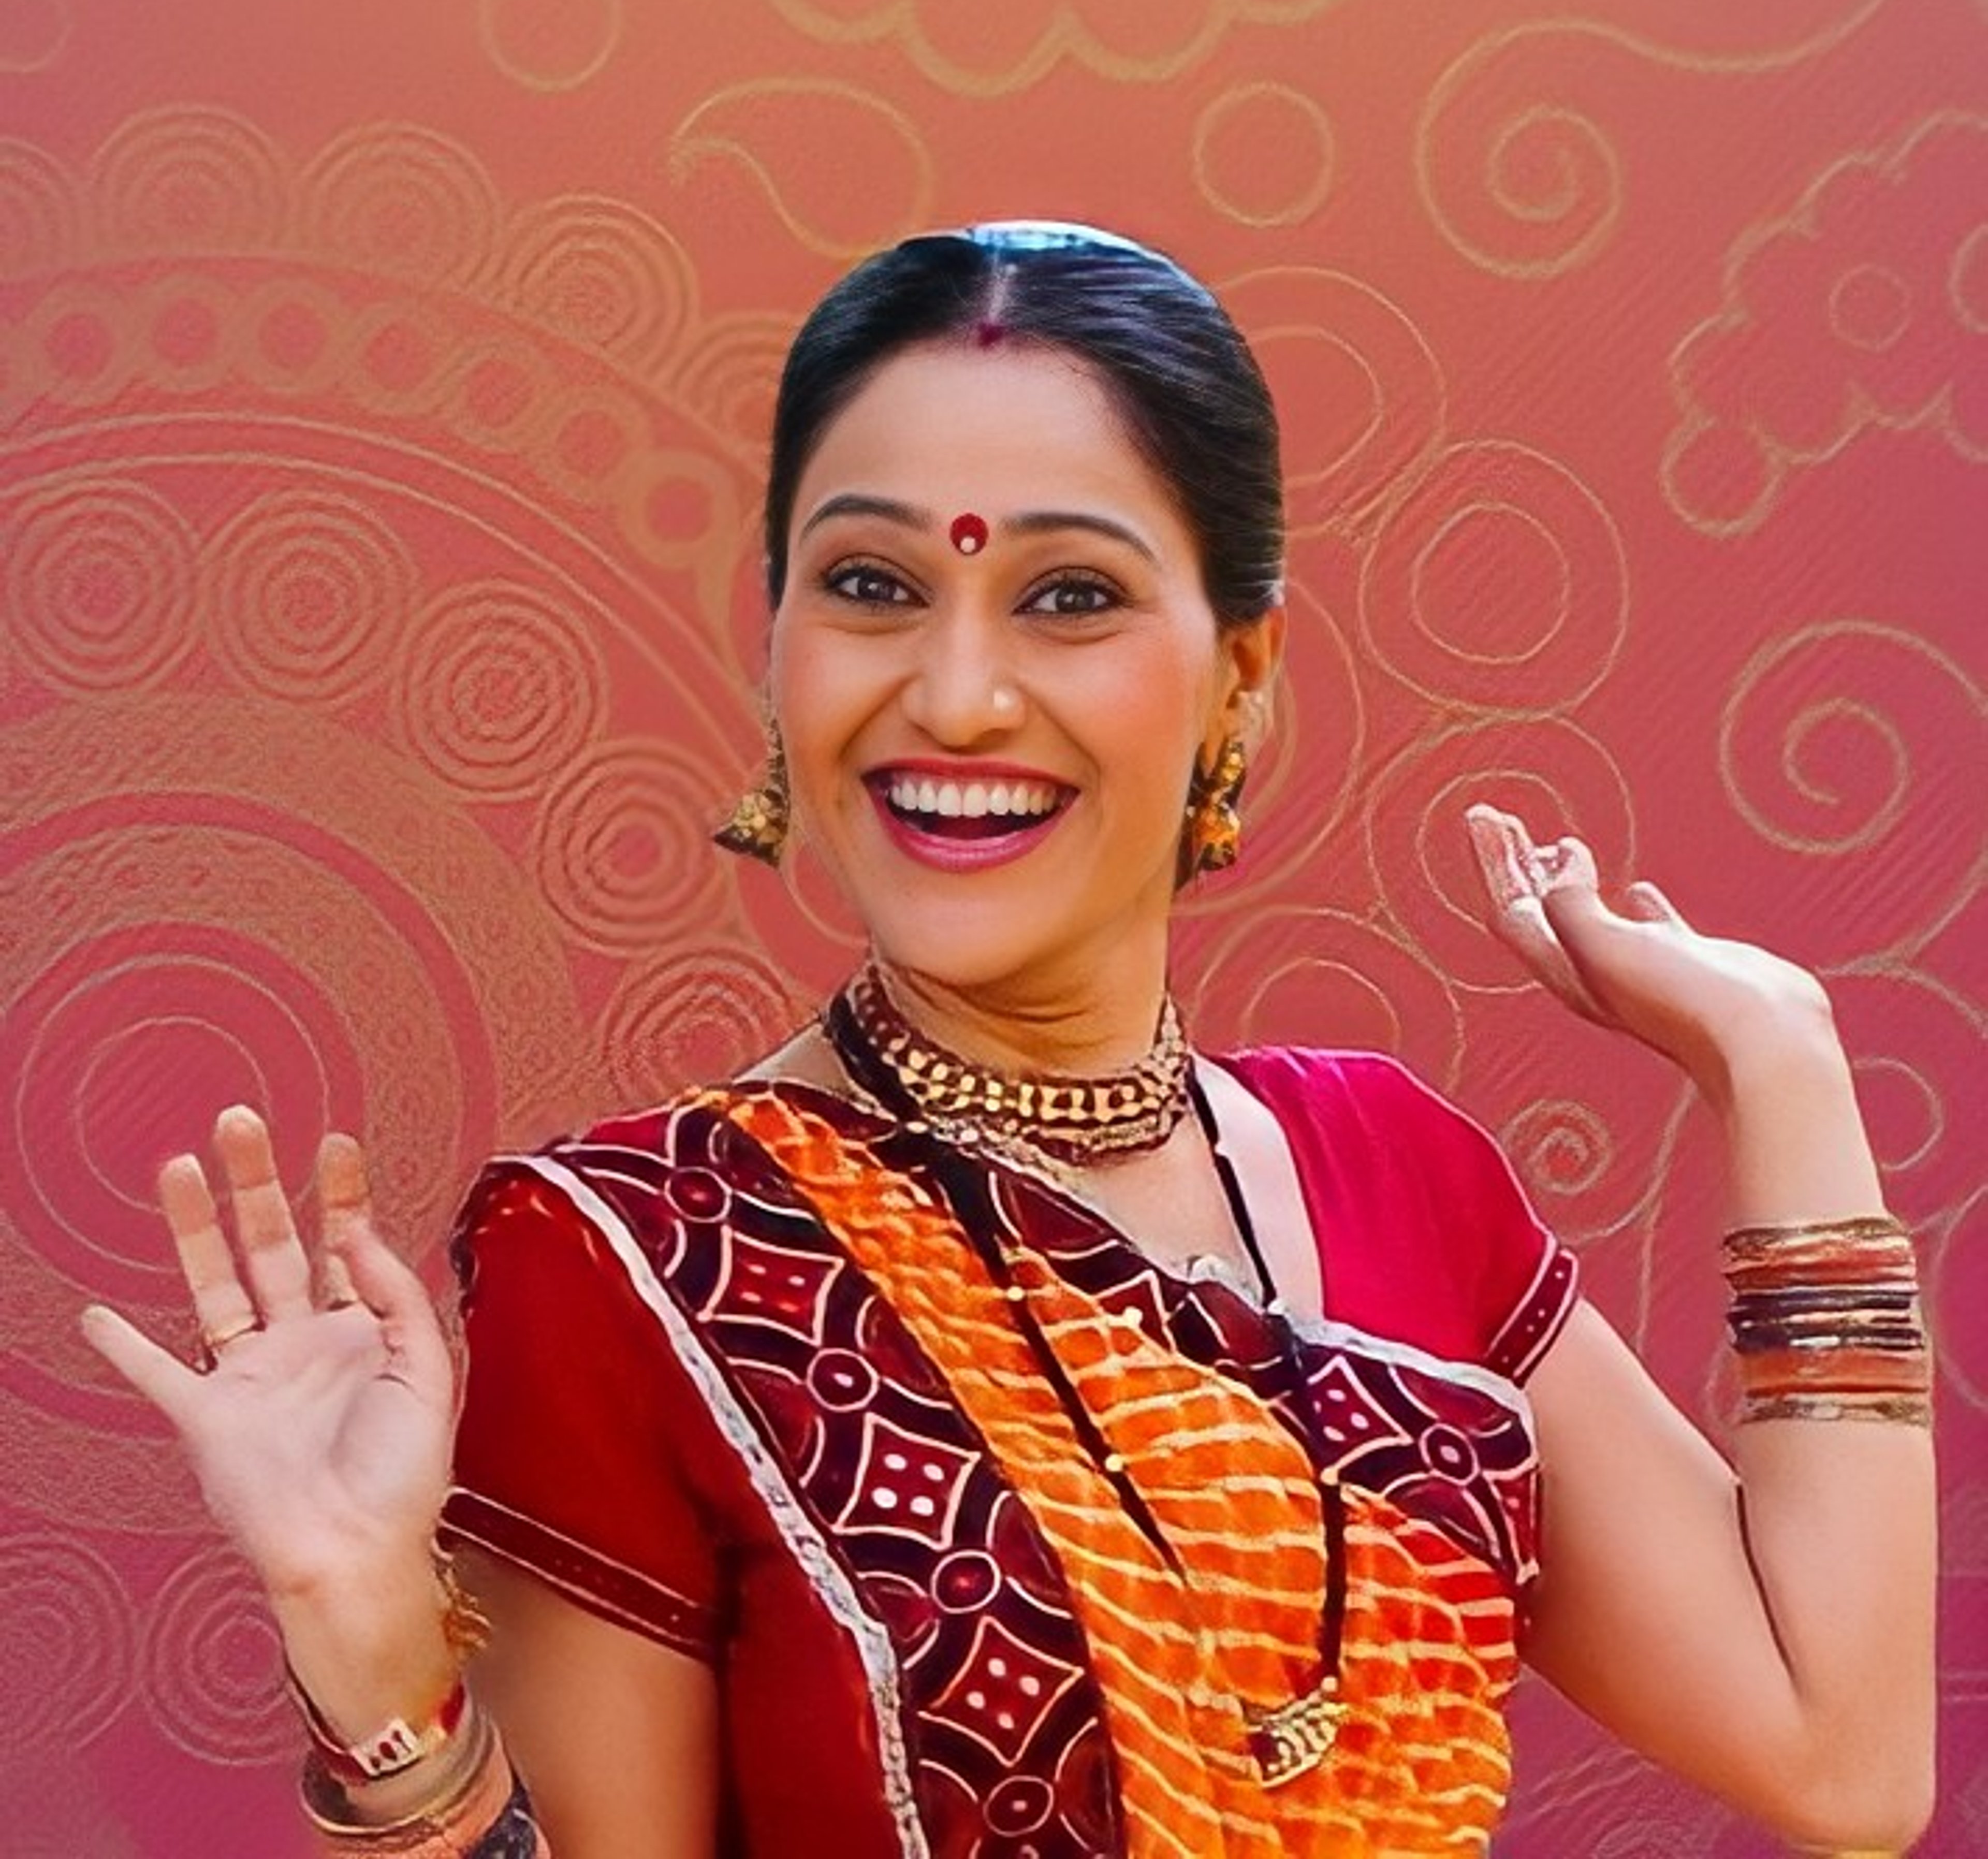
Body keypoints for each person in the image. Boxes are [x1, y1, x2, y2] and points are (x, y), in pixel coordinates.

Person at [81, 223, 1937, 1858]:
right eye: (874, 584)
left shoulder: (1395, 1166)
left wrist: (1782, 1058)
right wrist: (370, 1653)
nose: (956, 692)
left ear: (1241, 673)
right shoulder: (639, 1259)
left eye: (1069, 594)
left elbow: (1842, 1757)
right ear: (780, 640)